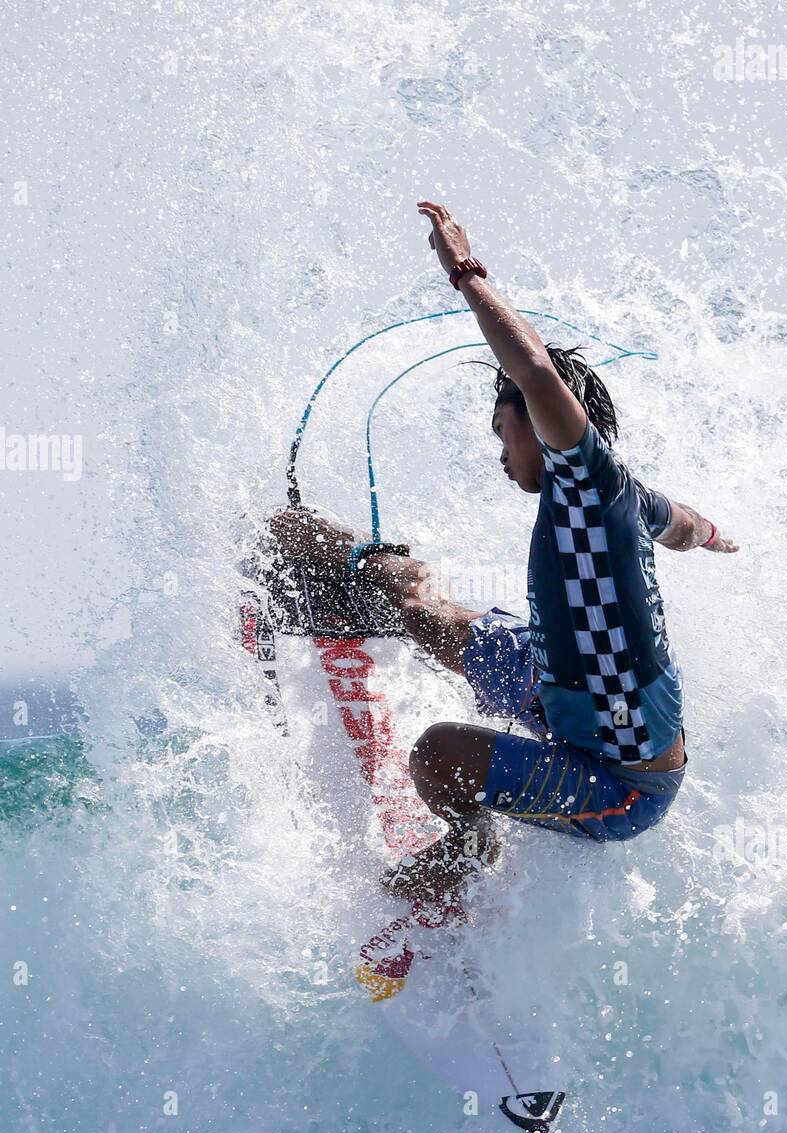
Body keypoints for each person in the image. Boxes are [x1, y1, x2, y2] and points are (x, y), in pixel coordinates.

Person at [269, 200, 737, 900]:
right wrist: (712, 537)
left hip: (619, 781)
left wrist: (463, 268)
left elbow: (537, 375)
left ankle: (467, 844)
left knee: (437, 755)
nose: (499, 452)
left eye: (502, 430)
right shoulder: (625, 495)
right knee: (431, 620)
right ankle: (361, 561)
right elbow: (684, 523)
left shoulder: (585, 473)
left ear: (541, 421)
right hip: (560, 688)